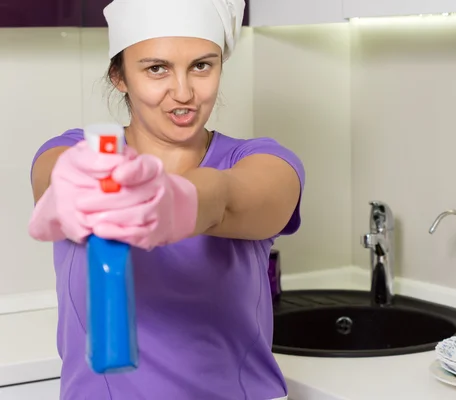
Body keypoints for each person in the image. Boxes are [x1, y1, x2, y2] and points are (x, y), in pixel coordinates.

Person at [26, 0, 304, 399]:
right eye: (156, 68)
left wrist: (169, 201)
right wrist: (71, 188)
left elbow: (226, 198)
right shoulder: (79, 154)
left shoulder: (261, 160)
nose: (184, 92)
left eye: (201, 66)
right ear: (119, 76)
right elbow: (53, 176)